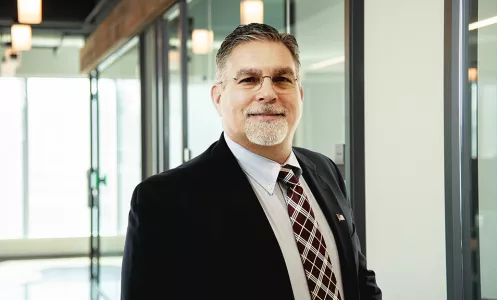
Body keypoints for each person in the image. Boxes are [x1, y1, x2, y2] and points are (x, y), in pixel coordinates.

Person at [121, 23, 382, 300]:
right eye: (248, 79)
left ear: (300, 95)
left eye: (282, 79)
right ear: (218, 97)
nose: (268, 93)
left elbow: (358, 279)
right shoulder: (164, 200)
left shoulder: (325, 170)